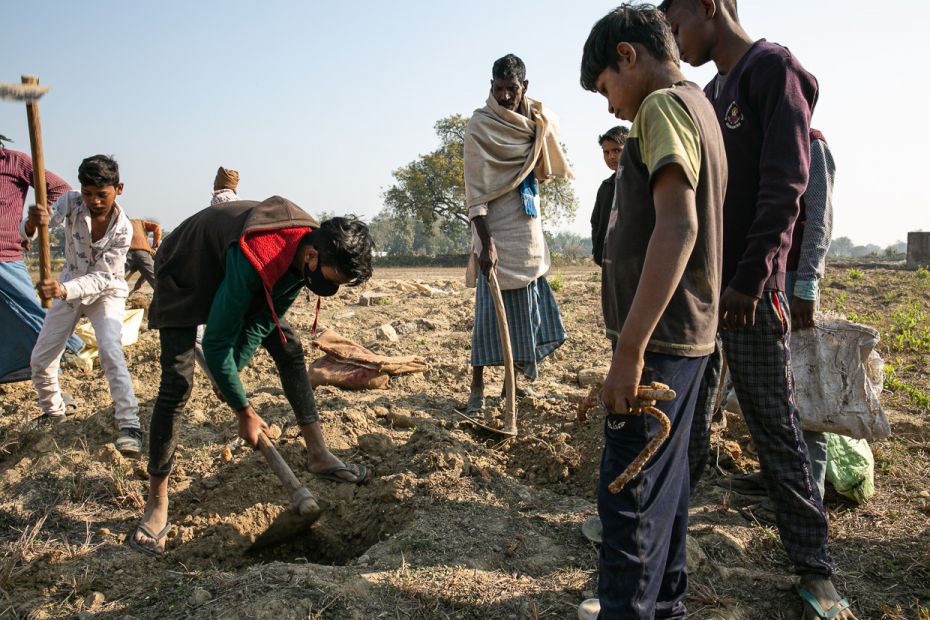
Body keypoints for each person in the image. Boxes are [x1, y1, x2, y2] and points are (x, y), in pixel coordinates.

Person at [660, 1, 855, 618]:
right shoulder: (713, 91)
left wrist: (751, 279)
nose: (674, 38)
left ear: (710, 7)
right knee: (687, 416)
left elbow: (785, 188)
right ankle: (664, 535)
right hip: (708, 292)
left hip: (749, 297)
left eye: (676, 23)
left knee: (773, 424)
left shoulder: (775, 71)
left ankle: (814, 567)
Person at [577, 6, 727, 618]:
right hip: (687, 336)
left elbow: (679, 225)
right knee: (665, 489)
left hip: (660, 343)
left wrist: (630, 351)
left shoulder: (662, 107)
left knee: (629, 497)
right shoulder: (700, 106)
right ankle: (666, 607)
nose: (611, 107)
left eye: (607, 88)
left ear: (628, 57)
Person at [130, 196, 373, 557]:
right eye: (333, 279)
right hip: (187, 267)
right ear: (312, 256)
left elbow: (260, 323)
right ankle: (157, 502)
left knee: (289, 349)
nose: (331, 289)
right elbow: (215, 344)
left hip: (234, 265)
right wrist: (244, 410)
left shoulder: (303, 256)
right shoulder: (259, 255)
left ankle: (319, 454)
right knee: (177, 385)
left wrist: (230, 376)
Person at [719, 129, 837, 513]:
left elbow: (818, 218)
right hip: (761, 277)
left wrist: (806, 286)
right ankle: (774, 477)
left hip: (790, 280)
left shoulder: (811, 145)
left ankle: (807, 491)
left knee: (799, 389)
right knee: (767, 385)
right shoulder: (763, 142)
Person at [463, 54, 572, 416]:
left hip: (527, 233)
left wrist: (531, 109)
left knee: (524, 315)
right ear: (490, 87)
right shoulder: (480, 127)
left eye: (513, 89)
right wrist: (486, 242)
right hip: (494, 232)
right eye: (499, 89)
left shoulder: (535, 122)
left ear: (524, 86)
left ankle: (510, 386)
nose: (506, 96)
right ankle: (477, 385)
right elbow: (474, 192)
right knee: (487, 316)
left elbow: (551, 127)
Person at [21, 155, 142, 455]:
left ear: (119, 189)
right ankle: (54, 412)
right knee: (41, 358)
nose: (95, 201)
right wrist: (34, 222)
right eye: (89, 194)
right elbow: (37, 226)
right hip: (70, 282)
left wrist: (62, 289)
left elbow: (101, 278)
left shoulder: (123, 229)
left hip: (106, 291)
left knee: (110, 350)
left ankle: (129, 424)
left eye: (102, 195)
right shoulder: (71, 202)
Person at [0, 135, 82, 383]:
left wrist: (31, 224)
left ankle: (64, 351)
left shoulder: (15, 163)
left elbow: (61, 190)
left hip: (4, 253)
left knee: (28, 308)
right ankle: (16, 364)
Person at [590, 125, 628, 267]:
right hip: (608, 262)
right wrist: (597, 252)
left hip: (636, 262)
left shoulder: (641, 183)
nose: (611, 156)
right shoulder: (606, 186)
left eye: (617, 150)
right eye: (606, 152)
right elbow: (596, 222)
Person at [125, 218, 161, 295]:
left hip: (126, 251)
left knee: (114, 277)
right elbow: (157, 227)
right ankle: (166, 300)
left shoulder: (117, 222)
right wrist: (155, 246)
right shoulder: (140, 223)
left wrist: (138, 283)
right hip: (142, 252)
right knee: (156, 280)